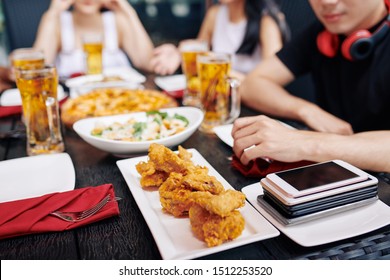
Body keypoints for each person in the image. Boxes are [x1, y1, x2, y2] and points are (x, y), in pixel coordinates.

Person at [232, 0, 390, 173]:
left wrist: (305, 143)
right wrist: (306, 110)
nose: (327, 2)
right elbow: (252, 84)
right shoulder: (322, 31)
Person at [151, 0, 289, 78]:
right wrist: (177, 52)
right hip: (216, 97)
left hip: (253, 106)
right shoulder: (214, 14)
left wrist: (219, 68)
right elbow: (199, 51)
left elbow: (271, 82)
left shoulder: (266, 22)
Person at [33, 0, 155, 78]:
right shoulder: (58, 22)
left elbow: (147, 64)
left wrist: (129, 12)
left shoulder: (117, 21)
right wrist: (52, 13)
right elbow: (36, 70)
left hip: (121, 99)